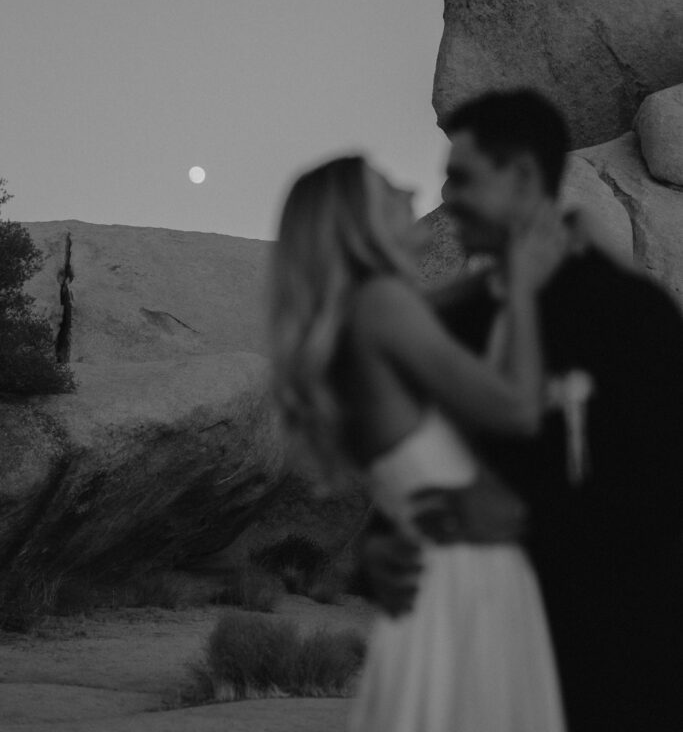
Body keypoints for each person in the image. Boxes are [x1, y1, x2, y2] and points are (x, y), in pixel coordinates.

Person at [363, 89, 683, 732]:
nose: (447, 196)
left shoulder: (633, 318)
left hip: (614, 670)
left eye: (464, 178)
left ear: (524, 177)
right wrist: (380, 554)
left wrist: (524, 515)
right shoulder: (457, 322)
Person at [270, 154, 567, 732]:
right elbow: (518, 409)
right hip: (468, 581)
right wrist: (526, 288)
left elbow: (439, 307)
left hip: (446, 577)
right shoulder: (383, 304)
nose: (410, 189)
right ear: (361, 223)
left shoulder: (359, 315)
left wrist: (494, 273)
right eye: (388, 189)